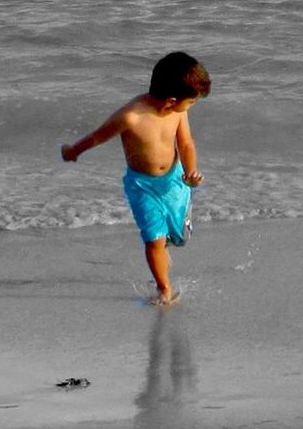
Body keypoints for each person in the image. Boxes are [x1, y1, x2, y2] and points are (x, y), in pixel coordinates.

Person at [61, 51, 211, 306]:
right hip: (142, 187)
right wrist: (74, 151)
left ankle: (166, 246)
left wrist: (190, 172)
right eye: (192, 102)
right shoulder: (131, 117)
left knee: (179, 239)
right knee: (154, 239)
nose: (191, 106)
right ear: (172, 100)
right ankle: (164, 288)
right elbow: (98, 136)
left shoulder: (178, 112)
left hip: (175, 182)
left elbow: (185, 143)